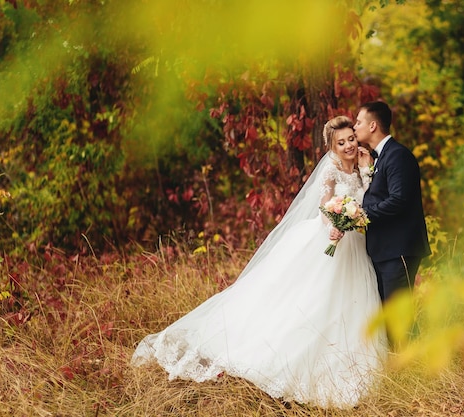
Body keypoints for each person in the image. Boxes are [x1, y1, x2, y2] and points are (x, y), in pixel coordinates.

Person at [131, 116, 388, 409]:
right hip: (327, 240)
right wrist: (336, 222)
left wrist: (365, 178)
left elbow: (367, 199)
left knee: (350, 303)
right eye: (340, 142)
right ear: (331, 146)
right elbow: (324, 206)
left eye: (351, 139)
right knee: (309, 299)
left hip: (354, 245)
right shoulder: (330, 171)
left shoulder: (362, 167)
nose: (348, 146)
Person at [353, 101, 431, 303]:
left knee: (397, 319)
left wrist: (362, 216)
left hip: (398, 250)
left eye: (358, 121)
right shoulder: (377, 158)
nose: (355, 126)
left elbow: (398, 200)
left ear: (372, 126)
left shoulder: (398, 155)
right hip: (384, 249)